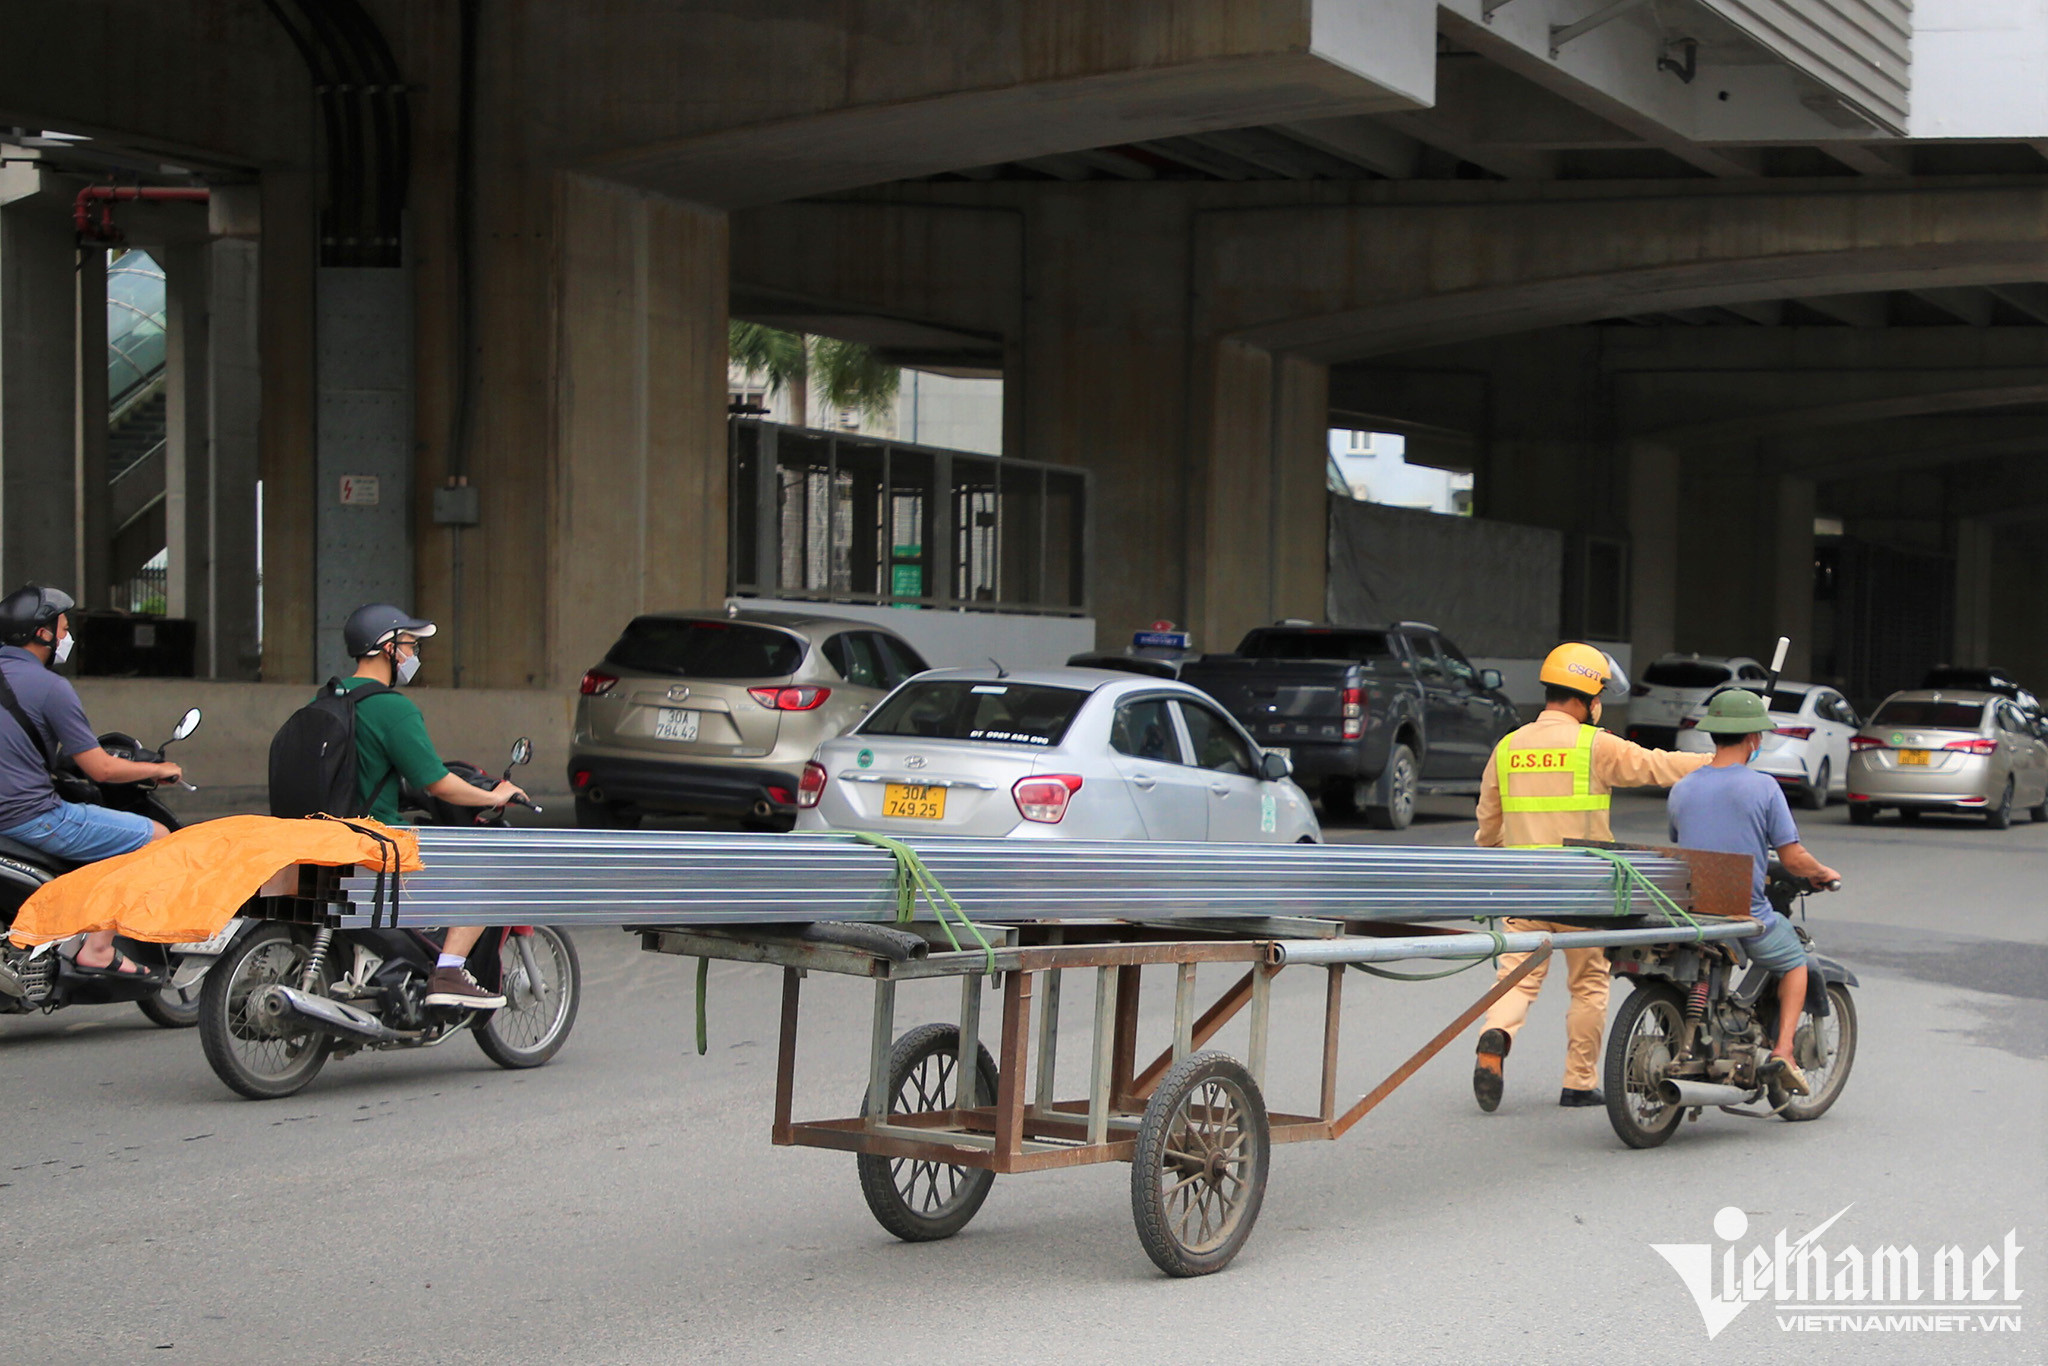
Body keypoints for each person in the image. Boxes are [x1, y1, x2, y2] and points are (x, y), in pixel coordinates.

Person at [1470, 642, 1711, 1112]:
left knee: (1516, 977)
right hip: (1584, 891)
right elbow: (1658, 765)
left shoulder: (1509, 746)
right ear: (1586, 697)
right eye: (1599, 694)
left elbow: (1488, 825)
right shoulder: (1594, 745)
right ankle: (1578, 1082)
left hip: (1524, 887)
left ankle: (1494, 1039)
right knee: (1589, 985)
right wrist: (1715, 763)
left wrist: (1502, 862)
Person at [331, 603, 528, 1009]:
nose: (413, 654)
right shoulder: (391, 707)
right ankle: (449, 971)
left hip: (328, 836)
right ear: (387, 648)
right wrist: (494, 796)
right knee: (490, 871)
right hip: (379, 841)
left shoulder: (329, 699)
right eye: (409, 645)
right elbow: (438, 782)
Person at [0, 584, 182, 982]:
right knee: (157, 838)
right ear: (43, 634)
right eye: (64, 630)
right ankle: (98, 949)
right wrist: (156, 770)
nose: (67, 638)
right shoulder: (51, 687)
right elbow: (102, 770)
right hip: (30, 817)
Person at [1666, 688, 1842, 1097]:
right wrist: (1821, 873)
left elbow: (1686, 841)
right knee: (1796, 962)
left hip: (1689, 910)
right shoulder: (1763, 787)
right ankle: (1784, 1052)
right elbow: (1793, 858)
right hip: (1741, 913)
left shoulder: (1682, 787)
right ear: (1753, 739)